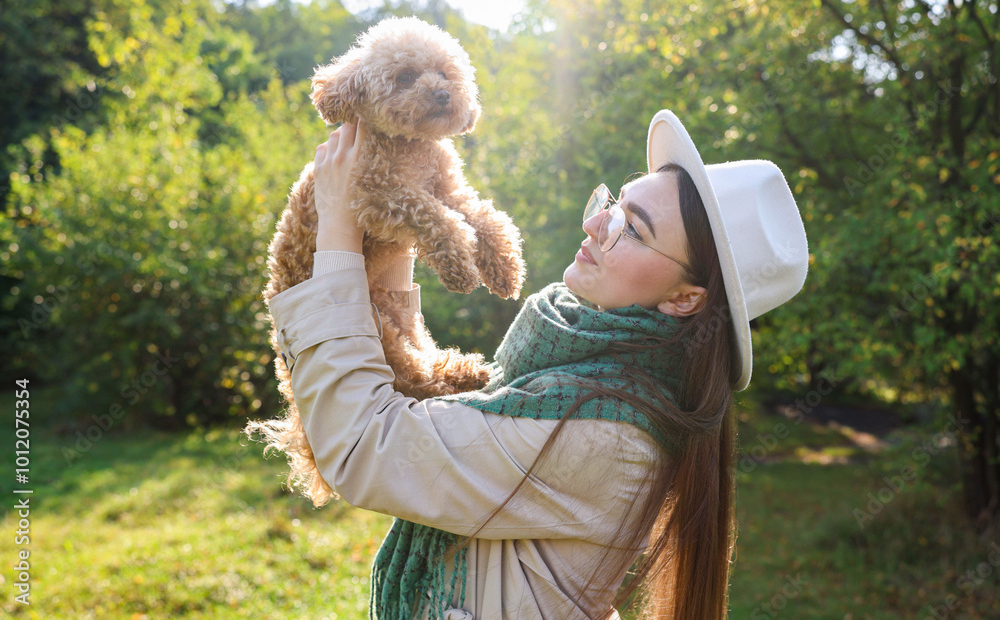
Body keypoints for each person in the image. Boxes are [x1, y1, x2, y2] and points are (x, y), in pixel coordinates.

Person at [247, 109, 809, 619]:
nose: (596, 224)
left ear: (686, 299)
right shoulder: (585, 375)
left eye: (633, 230)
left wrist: (339, 226)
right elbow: (432, 407)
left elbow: (367, 442)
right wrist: (390, 245)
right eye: (614, 203)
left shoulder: (608, 433)